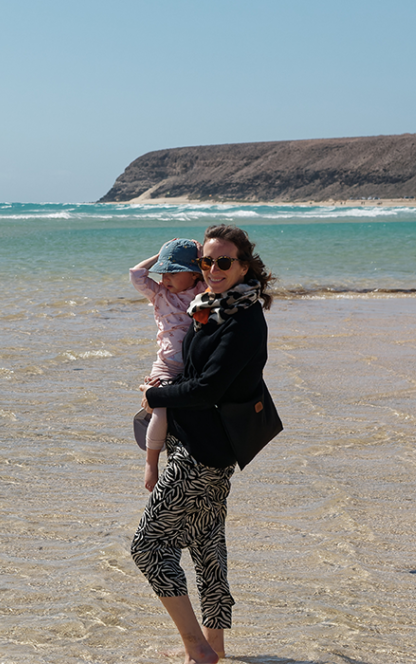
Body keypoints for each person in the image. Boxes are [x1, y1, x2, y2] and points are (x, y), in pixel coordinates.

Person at [132, 224, 275, 664]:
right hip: (203, 446)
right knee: (206, 548)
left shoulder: (244, 320)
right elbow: (193, 373)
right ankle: (215, 647)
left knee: (148, 548)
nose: (213, 269)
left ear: (244, 266)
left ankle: (196, 650)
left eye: (224, 262)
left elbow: (209, 387)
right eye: (206, 261)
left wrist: (155, 395)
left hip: (202, 452)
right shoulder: (211, 305)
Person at [130, 238, 207, 492]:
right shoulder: (159, 294)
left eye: (173, 272)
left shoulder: (202, 292)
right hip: (164, 368)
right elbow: (137, 274)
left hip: (192, 370)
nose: (165, 278)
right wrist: (159, 253)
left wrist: (201, 253)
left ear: (195, 274)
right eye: (163, 272)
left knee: (182, 418)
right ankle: (151, 462)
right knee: (161, 411)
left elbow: (217, 275)